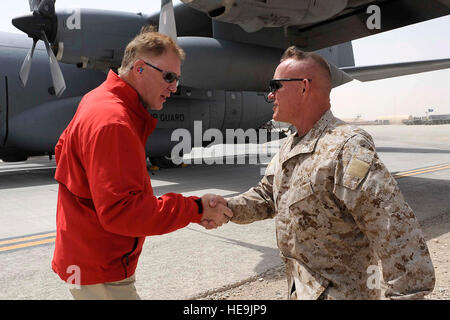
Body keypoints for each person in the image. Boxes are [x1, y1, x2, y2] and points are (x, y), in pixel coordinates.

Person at [224, 46, 435, 300]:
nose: (270, 95)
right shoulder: (291, 145)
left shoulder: (346, 147)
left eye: (276, 85)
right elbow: (267, 195)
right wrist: (222, 207)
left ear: (303, 87)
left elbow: (395, 229)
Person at [51, 28, 232, 300]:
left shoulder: (98, 101)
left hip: (89, 259)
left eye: (177, 79)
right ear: (139, 69)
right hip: (101, 269)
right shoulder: (114, 122)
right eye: (169, 77)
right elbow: (123, 212)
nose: (174, 87)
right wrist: (195, 208)